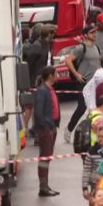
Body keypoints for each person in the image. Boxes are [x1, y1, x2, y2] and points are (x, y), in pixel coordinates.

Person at [32, 66, 60, 197]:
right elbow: (38, 112)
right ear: (50, 76)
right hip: (46, 129)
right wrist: (46, 127)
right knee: (45, 158)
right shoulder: (42, 91)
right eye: (56, 74)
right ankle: (43, 187)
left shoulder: (49, 90)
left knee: (47, 158)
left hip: (51, 127)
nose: (57, 76)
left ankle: (45, 186)